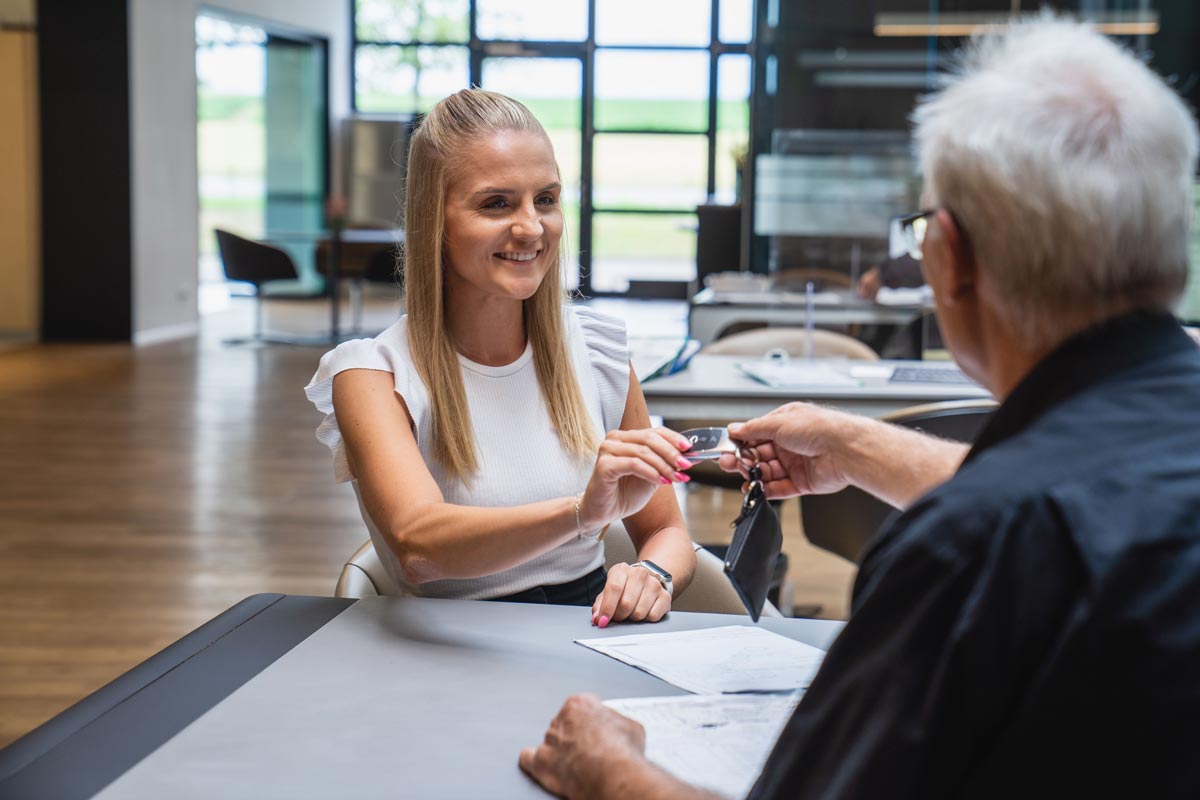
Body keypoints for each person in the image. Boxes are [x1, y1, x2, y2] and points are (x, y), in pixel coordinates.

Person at [521, 19, 1200, 798]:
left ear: (947, 256)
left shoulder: (965, 556)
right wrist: (851, 446)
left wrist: (608, 771)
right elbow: (1091, 492)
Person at [305, 89, 695, 624]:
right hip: (447, 658)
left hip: (588, 640)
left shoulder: (600, 354)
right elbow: (419, 550)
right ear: (434, 222)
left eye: (547, 199)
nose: (532, 227)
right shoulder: (373, 375)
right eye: (496, 203)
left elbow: (667, 531)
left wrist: (653, 576)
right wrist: (583, 513)